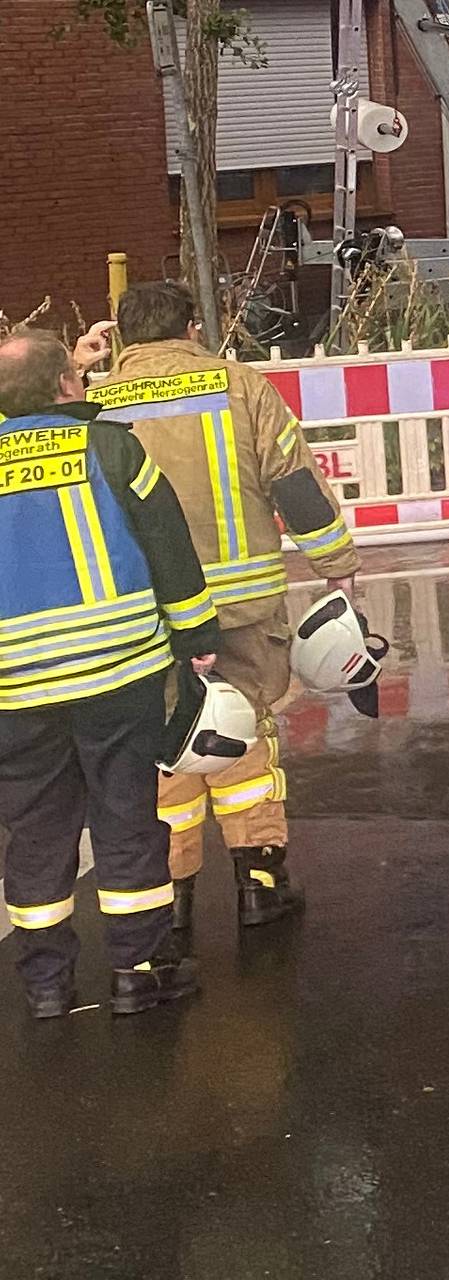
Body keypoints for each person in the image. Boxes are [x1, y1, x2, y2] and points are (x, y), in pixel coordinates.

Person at [94, 283, 361, 932]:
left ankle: (173, 897)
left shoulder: (95, 407)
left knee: (164, 744)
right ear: (192, 328)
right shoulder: (241, 387)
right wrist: (336, 566)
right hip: (240, 604)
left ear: (124, 337)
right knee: (242, 732)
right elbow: (293, 482)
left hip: (144, 614)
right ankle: (259, 883)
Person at [0, 328, 220, 1018]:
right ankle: (139, 970)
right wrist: (197, 636)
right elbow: (167, 542)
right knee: (126, 820)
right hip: (118, 674)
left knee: (35, 832)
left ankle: (45, 986)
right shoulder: (113, 448)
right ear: (66, 384)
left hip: (15, 690)